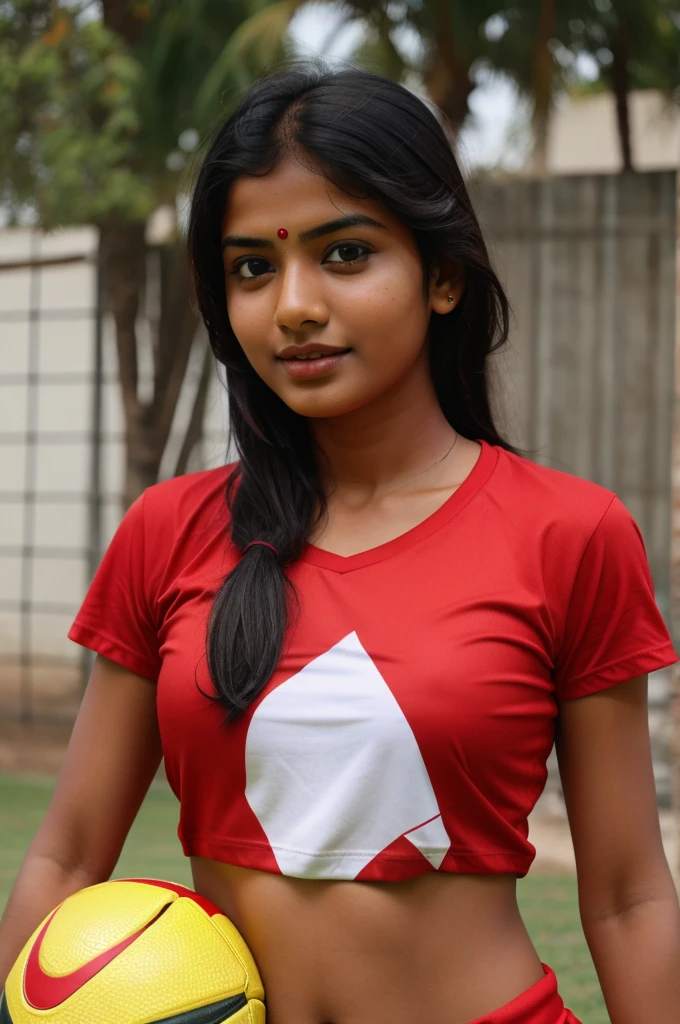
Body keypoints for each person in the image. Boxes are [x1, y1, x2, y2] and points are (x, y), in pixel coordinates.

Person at [2, 59, 680, 1024]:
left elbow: (627, 895)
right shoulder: (169, 533)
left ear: (442, 275)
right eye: (252, 267)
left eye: (346, 253)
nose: (293, 306)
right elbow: (65, 857)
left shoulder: (569, 534)